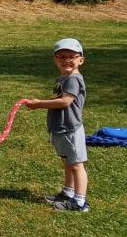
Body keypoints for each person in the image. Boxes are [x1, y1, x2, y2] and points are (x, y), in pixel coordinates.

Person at [23, 38, 89, 212]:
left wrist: (39, 104)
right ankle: (68, 193)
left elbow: (65, 101)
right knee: (68, 161)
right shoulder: (63, 78)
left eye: (72, 57)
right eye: (62, 57)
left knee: (76, 164)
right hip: (61, 127)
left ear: (81, 60)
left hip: (70, 128)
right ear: (55, 60)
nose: (67, 60)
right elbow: (58, 99)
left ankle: (80, 202)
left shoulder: (73, 79)